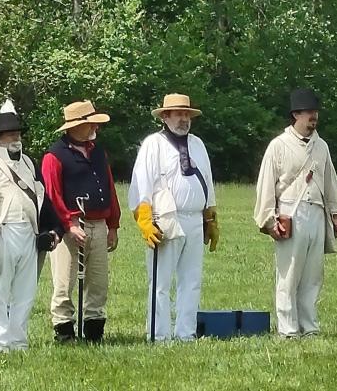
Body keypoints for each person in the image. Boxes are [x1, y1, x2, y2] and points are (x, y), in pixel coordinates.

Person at [0, 100, 64, 353]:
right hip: (2, 233)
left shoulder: (30, 165)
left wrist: (55, 229)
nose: (16, 137)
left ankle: (18, 341)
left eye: (18, 133)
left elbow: (43, 201)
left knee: (25, 292)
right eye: (11, 133)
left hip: (28, 234)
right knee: (0, 292)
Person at [253, 88, 337, 338]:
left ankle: (310, 325)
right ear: (296, 115)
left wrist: (335, 213)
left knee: (313, 275)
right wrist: (269, 219)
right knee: (289, 274)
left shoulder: (321, 146)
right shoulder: (278, 146)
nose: (314, 117)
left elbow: (330, 183)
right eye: (309, 113)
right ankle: (288, 328)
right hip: (290, 213)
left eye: (315, 112)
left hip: (315, 212)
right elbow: (266, 185)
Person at [128, 93, 218, 341]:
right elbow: (141, 184)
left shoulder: (198, 144)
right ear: (165, 116)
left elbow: (207, 181)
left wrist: (211, 217)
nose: (183, 119)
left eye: (186, 114)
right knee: (160, 283)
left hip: (195, 219)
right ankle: (159, 334)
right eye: (178, 114)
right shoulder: (153, 144)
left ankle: (186, 333)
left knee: (192, 280)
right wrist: (145, 221)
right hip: (166, 218)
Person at [41, 100, 121, 343]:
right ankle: (64, 331)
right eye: (89, 123)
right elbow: (52, 196)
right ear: (75, 127)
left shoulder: (98, 152)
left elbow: (109, 188)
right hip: (69, 229)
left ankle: (94, 331)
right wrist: (69, 223)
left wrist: (113, 224)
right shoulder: (54, 156)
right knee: (64, 282)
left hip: (97, 224)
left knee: (98, 282)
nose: (94, 128)